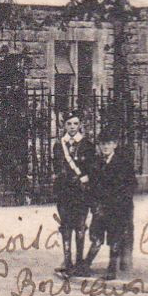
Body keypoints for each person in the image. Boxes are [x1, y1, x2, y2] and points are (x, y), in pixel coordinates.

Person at [84, 130, 137, 278]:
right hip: (101, 208)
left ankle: (112, 269)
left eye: (109, 143)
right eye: (102, 144)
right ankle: (85, 265)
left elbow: (131, 185)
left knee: (115, 237)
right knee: (96, 237)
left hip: (117, 208)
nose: (105, 147)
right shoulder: (96, 163)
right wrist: (95, 206)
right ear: (99, 146)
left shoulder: (123, 163)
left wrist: (120, 204)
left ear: (115, 145)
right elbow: (92, 187)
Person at [52, 114, 94, 276]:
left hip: (80, 193)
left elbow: (90, 169)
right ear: (64, 125)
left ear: (80, 125)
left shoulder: (87, 145)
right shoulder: (58, 145)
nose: (72, 127)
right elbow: (56, 167)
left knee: (80, 226)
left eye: (75, 123)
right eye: (69, 123)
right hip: (63, 192)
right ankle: (67, 260)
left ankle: (79, 261)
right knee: (65, 226)